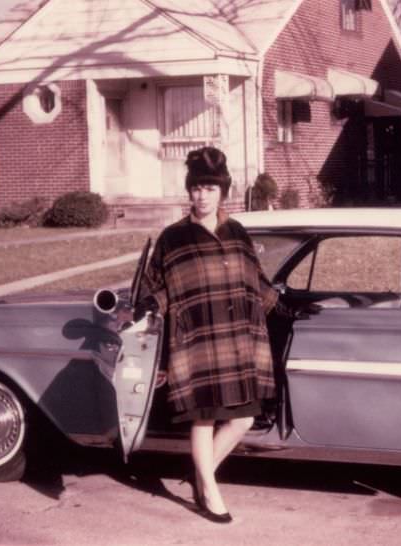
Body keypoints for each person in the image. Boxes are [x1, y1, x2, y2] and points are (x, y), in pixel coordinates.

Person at [138, 146, 284, 523]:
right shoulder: (173, 238)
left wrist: (280, 304)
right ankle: (210, 492)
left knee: (243, 420)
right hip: (196, 341)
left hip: (235, 341)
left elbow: (254, 279)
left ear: (223, 192)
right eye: (197, 188)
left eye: (210, 188)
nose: (202, 195)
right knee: (202, 419)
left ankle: (201, 476)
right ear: (189, 190)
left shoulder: (236, 231)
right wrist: (150, 306)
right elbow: (159, 288)